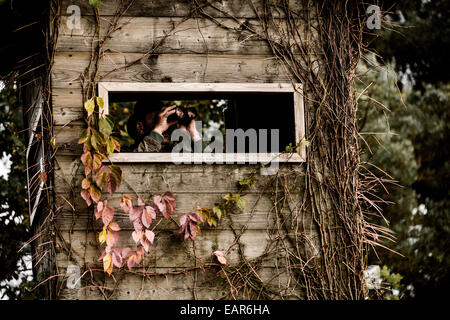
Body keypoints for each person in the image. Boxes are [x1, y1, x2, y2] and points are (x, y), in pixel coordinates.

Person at [127, 100, 201, 152]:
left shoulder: (176, 153)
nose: (166, 126)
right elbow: (140, 160)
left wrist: (194, 133)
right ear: (140, 127)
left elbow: (209, 164)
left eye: (167, 119)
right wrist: (158, 129)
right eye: (157, 120)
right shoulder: (125, 153)